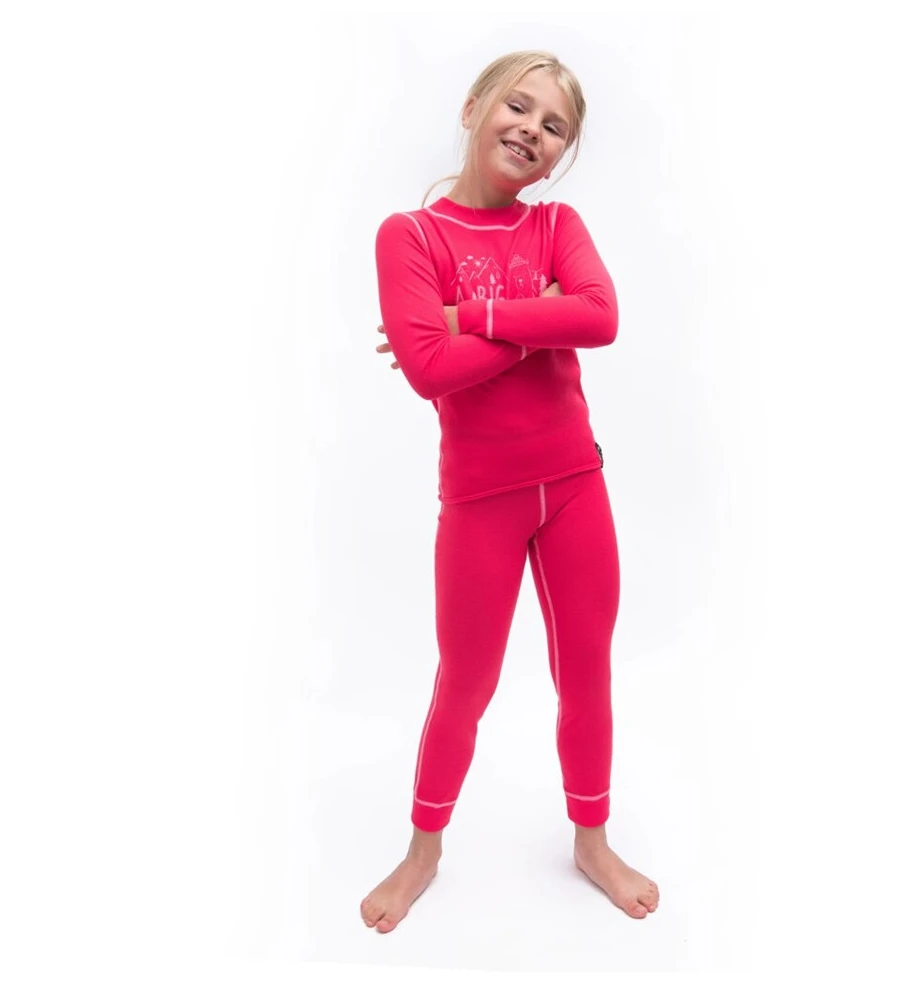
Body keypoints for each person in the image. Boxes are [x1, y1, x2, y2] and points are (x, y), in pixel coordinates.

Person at [361, 50, 659, 934]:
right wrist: (538, 319)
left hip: (574, 487)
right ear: (474, 106)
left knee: (586, 671)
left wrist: (468, 317)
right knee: (465, 681)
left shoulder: (557, 223)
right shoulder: (410, 238)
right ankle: (423, 852)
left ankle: (591, 841)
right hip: (480, 502)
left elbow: (600, 317)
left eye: (554, 125)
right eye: (518, 106)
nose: (532, 129)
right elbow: (428, 368)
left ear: (562, 153)